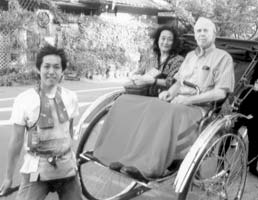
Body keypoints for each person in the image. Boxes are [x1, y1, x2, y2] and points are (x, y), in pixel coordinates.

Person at [94, 17, 235, 182]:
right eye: (198, 31)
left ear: (214, 34)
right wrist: (170, 93)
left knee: (164, 112)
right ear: (195, 35)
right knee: (128, 102)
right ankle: (121, 155)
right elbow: (178, 82)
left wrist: (189, 100)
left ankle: (150, 167)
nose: (201, 34)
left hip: (198, 109)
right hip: (177, 103)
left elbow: (220, 93)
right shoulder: (190, 56)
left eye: (205, 30)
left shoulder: (223, 58)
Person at [0, 45, 82, 199]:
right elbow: (16, 141)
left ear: (62, 71)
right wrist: (8, 177)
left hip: (66, 168)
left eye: (57, 67)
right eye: (47, 66)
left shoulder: (71, 97)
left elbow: (69, 132)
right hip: (36, 169)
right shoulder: (24, 100)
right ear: (38, 69)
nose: (51, 71)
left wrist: (74, 161)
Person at [126, 25, 184, 96]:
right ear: (158, 40)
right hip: (146, 99)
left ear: (174, 43)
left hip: (166, 100)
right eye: (163, 38)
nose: (165, 42)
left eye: (169, 39)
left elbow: (174, 82)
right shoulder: (151, 60)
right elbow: (138, 73)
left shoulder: (178, 60)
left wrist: (154, 81)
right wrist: (135, 77)